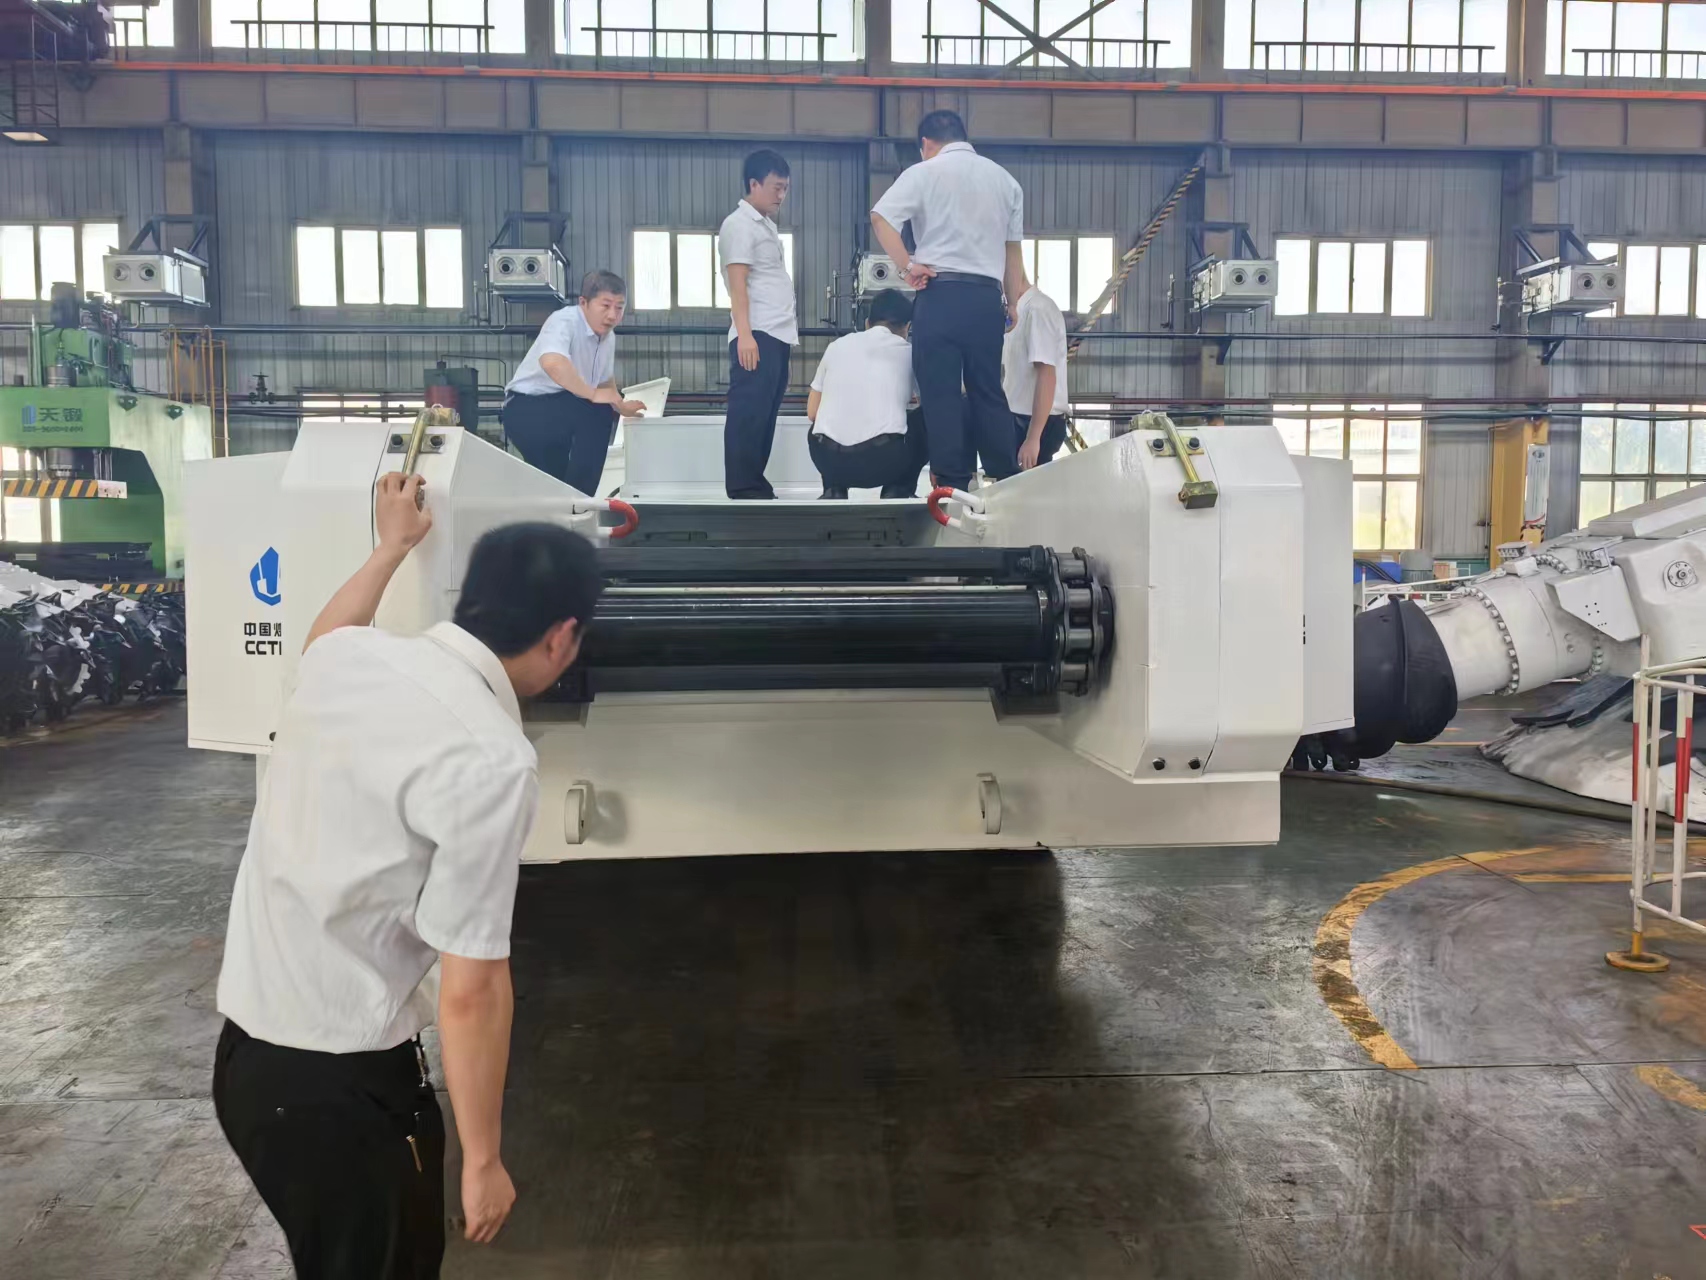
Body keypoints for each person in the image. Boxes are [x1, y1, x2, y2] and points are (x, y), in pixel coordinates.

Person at [211, 474, 603, 1280]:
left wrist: (390, 547)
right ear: (563, 637)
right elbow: (473, 988)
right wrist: (482, 1161)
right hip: (340, 1091)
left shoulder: (348, 659)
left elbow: (327, 631)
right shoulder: (491, 758)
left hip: (247, 1065)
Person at [870, 109, 1026, 492]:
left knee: (941, 394)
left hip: (939, 294)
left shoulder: (924, 172)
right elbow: (1012, 252)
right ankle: (1005, 479)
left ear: (926, 144)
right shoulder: (1006, 182)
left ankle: (953, 486)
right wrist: (1012, 302)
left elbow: (880, 218)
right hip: (986, 299)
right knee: (987, 389)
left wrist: (908, 266)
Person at [502, 269, 645, 496]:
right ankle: (580, 501)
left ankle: (569, 503)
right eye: (605, 305)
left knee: (555, 484)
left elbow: (605, 382)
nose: (612, 315)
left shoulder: (608, 337)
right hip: (526, 408)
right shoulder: (564, 321)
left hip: (559, 412)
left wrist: (621, 405)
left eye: (619, 307)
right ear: (584, 302)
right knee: (596, 410)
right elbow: (553, 363)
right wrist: (593, 395)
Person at [719, 148, 798, 499]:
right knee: (749, 411)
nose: (781, 195)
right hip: (757, 332)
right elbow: (738, 285)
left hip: (776, 332)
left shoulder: (765, 225)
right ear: (754, 184)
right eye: (776, 187)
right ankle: (742, 486)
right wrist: (745, 336)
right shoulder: (739, 224)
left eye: (785, 188)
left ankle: (755, 481)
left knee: (765, 412)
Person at [806, 289, 929, 499]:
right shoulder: (911, 353)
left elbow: (812, 412)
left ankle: (833, 490)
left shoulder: (836, 346)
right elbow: (933, 404)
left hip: (827, 459)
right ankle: (898, 489)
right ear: (907, 327)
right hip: (884, 462)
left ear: (867, 323)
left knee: (818, 428)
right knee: (926, 419)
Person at [1004, 274, 1071, 469]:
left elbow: (1046, 374)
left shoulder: (1038, 309)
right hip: (1018, 420)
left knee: (1028, 487)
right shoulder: (1017, 312)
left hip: (1037, 424)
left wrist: (1033, 438)